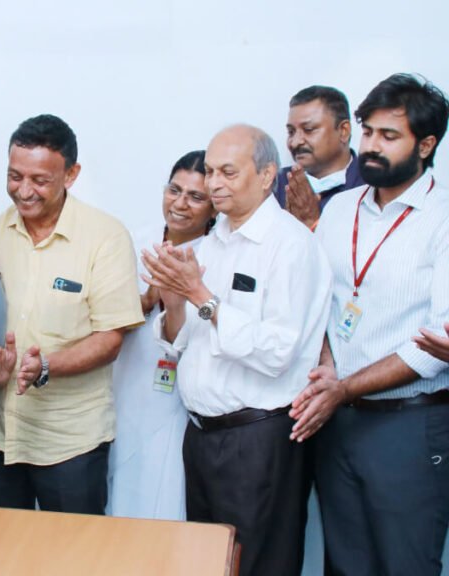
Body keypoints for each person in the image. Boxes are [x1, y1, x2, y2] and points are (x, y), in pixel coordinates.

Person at [142, 124, 331, 576]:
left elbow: (277, 352)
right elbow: (183, 341)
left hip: (257, 440)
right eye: (210, 171)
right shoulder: (211, 242)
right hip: (202, 435)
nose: (214, 184)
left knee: (257, 566)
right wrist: (173, 299)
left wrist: (200, 294)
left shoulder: (290, 245)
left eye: (228, 171)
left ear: (268, 175)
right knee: (209, 564)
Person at [290, 73, 449, 576]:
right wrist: (330, 371)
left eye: (389, 136)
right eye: (367, 133)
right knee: (345, 564)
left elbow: (435, 342)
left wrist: (342, 387)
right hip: (340, 422)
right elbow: (323, 307)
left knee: (404, 563)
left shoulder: (443, 218)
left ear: (425, 145)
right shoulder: (339, 210)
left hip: (409, 424)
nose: (371, 148)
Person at [0, 114, 144, 514]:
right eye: (15, 176)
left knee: (77, 558)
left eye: (40, 180)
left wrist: (47, 366)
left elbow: (110, 339)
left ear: (71, 174)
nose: (24, 191)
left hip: (71, 442)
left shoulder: (106, 237)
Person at [107, 150, 215, 521]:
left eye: (196, 196)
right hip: (122, 382)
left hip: (173, 394)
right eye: (174, 190)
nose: (180, 204)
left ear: (215, 207)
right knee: (117, 488)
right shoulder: (133, 242)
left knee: (163, 488)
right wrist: (147, 299)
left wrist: (173, 305)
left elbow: (193, 337)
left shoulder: (215, 256)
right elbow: (105, 318)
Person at [276, 85, 367, 229]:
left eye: (309, 130)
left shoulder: (373, 186)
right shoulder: (273, 184)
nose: (296, 142)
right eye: (291, 132)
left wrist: (313, 224)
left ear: (344, 131)